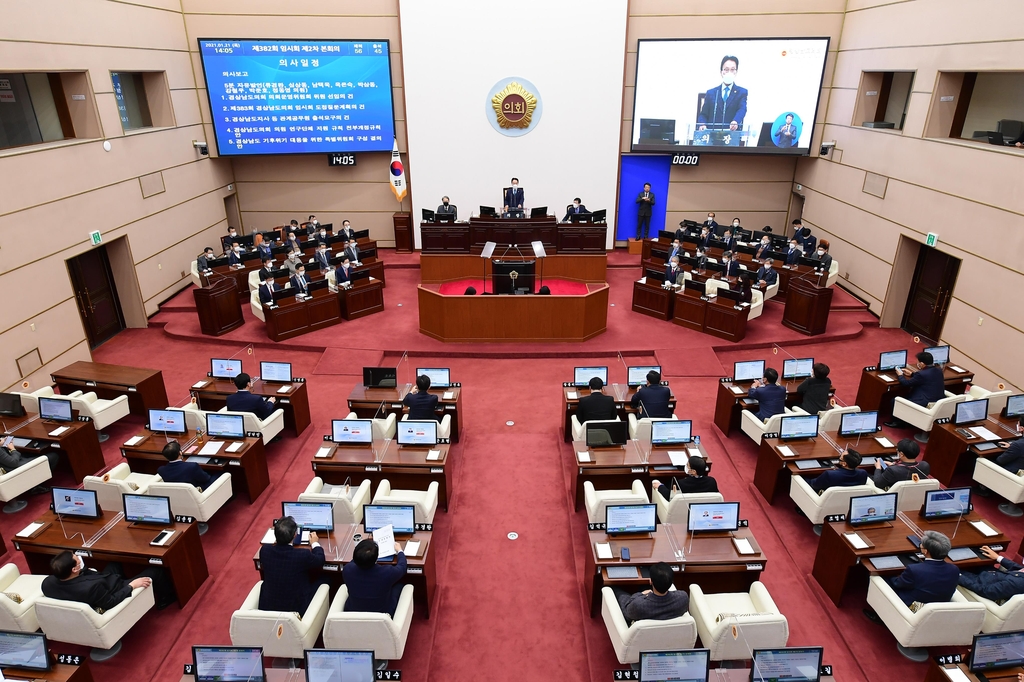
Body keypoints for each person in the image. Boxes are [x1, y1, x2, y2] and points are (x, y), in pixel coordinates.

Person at [42, 550, 175, 612]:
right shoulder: (92, 588)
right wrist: (131, 586)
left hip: (99, 582)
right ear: (75, 569)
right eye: (76, 558)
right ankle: (167, 597)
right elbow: (110, 602)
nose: (77, 556)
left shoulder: (47, 583)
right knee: (156, 571)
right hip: (115, 589)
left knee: (114, 562)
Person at [258, 516, 327, 614]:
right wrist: (315, 543)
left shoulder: (265, 550)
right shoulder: (302, 555)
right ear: (295, 535)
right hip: (297, 607)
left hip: (269, 605)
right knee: (326, 579)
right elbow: (320, 560)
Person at [884, 531, 958, 606]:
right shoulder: (954, 569)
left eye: (921, 545)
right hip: (940, 606)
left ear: (925, 551)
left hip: (913, 606)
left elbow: (897, 584)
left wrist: (890, 573)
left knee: (884, 577)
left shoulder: (914, 570)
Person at [343, 538, 407, 617]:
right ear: (376, 558)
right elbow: (402, 567)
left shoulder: (347, 569)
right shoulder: (387, 572)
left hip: (354, 612)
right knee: (399, 586)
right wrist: (400, 551)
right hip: (382, 614)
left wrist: (361, 553)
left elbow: (355, 561)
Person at [612, 562, 688, 626]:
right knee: (642, 586)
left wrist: (641, 594)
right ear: (672, 583)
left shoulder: (638, 605)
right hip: (665, 634)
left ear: (650, 581)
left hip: (636, 612)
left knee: (614, 588)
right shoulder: (683, 598)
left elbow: (627, 612)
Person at [883, 351, 945, 428]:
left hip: (924, 401)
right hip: (937, 400)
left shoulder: (921, 374)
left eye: (918, 362)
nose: (917, 363)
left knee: (894, 400)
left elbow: (905, 383)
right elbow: (927, 377)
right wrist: (912, 374)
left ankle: (898, 423)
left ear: (922, 363)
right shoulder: (939, 370)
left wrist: (900, 375)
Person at [697, 55, 748, 132]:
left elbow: (742, 109)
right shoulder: (711, 93)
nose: (729, 72)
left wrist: (735, 121)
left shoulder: (741, 92)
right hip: (712, 136)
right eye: (726, 69)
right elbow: (703, 114)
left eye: (732, 69)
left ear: (736, 72)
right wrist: (702, 124)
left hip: (731, 135)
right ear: (721, 72)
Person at [958, 546, 1024, 602]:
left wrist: (958, 576)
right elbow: (1019, 569)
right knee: (974, 552)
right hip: (992, 574)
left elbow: (985, 591)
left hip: (978, 581)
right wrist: (998, 558)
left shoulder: (1016, 583)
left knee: (953, 566)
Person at [652, 457, 718, 500]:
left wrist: (660, 486)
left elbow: (669, 496)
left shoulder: (682, 484)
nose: (685, 466)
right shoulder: (712, 481)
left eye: (687, 465)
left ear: (694, 471)